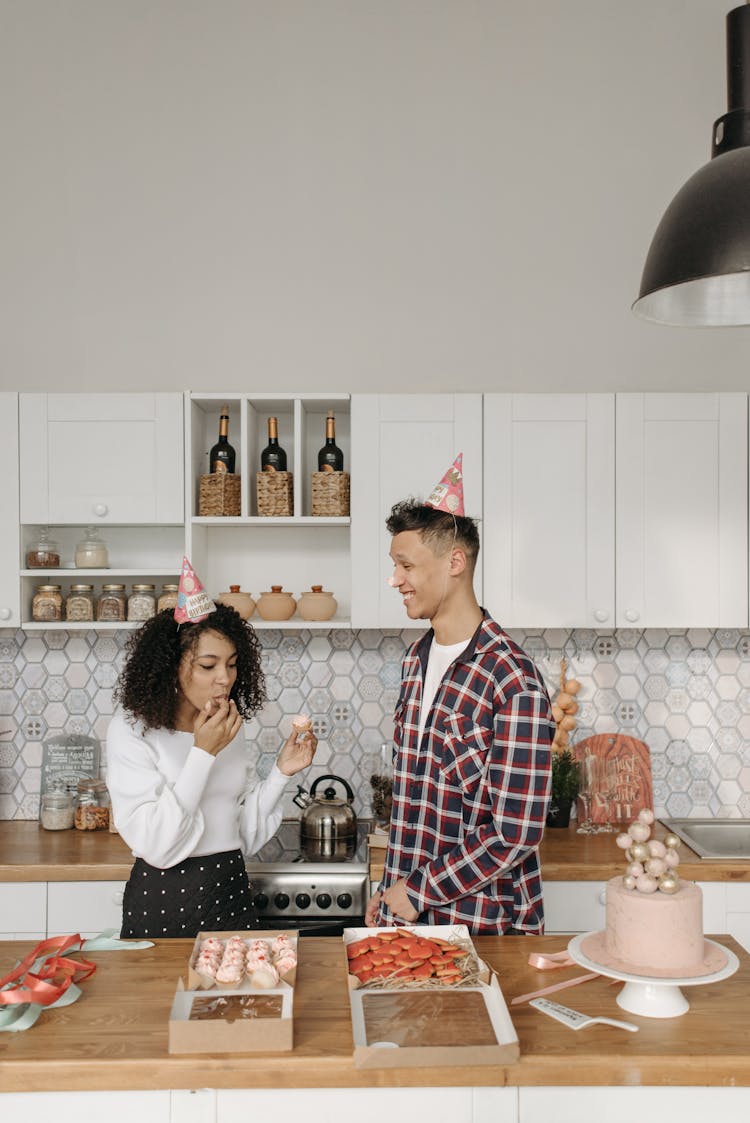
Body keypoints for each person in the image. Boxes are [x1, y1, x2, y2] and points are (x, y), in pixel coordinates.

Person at [366, 456, 554, 934]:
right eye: (394, 565)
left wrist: (416, 891)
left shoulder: (513, 681)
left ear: (455, 562)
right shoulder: (414, 661)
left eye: (405, 565)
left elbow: (515, 834)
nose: (395, 579)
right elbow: (414, 801)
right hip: (409, 922)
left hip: (482, 928)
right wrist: (391, 893)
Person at [106, 598, 317, 938]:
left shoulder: (228, 725)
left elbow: (242, 834)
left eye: (232, 664)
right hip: (164, 901)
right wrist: (202, 753)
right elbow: (157, 846)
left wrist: (282, 772)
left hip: (230, 895)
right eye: (208, 666)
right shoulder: (132, 729)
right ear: (170, 666)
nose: (225, 679)